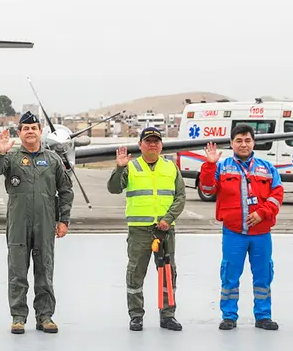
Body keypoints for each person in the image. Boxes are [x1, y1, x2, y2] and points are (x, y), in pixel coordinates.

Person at [0, 111, 74, 335]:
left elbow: (65, 191)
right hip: (18, 223)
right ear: (20, 133)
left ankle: (45, 316)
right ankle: (18, 317)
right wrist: (0, 152)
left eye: (34, 128)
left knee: (44, 269)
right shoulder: (11, 158)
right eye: (26, 128)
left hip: (45, 223)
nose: (30, 131)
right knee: (17, 271)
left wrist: (63, 220)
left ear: (41, 131)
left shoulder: (53, 160)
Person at [199, 124, 283, 331]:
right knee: (230, 274)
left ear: (254, 142)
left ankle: (263, 316)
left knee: (263, 275)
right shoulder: (221, 167)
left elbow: (277, 194)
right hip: (233, 233)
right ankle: (229, 316)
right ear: (231, 143)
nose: (243, 144)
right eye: (238, 141)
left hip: (261, 233)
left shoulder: (267, 168)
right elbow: (207, 190)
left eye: (247, 140)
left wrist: (262, 213)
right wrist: (209, 165)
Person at [106, 127, 185, 332]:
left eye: (156, 141)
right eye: (148, 141)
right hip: (139, 231)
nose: (152, 145)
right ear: (140, 145)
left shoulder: (171, 167)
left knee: (168, 273)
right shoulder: (131, 167)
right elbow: (114, 188)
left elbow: (180, 196)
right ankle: (136, 316)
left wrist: (168, 219)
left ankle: (167, 315)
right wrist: (119, 168)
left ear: (161, 145)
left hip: (165, 231)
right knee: (135, 272)